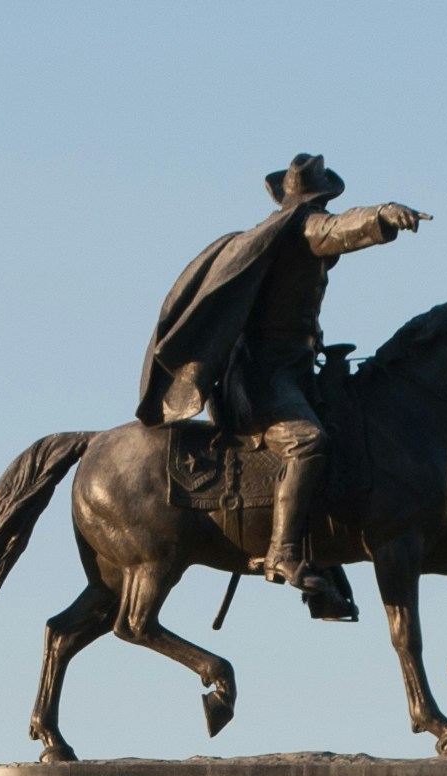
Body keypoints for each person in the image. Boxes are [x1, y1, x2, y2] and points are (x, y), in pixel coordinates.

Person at [135, 156, 427, 598]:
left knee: (352, 435)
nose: (325, 209)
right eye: (323, 201)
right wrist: (381, 215)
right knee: (308, 442)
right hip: (263, 376)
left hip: (296, 367)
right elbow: (338, 230)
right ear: (315, 201)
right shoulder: (302, 228)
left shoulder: (282, 235)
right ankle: (282, 551)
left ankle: (326, 557)